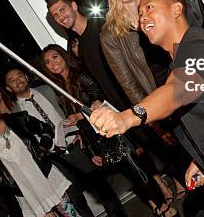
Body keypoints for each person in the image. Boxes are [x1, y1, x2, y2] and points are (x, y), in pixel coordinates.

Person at [90, 0, 204, 216]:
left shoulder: (199, 45)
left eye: (149, 7)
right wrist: (200, 161)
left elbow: (174, 92)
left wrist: (127, 118)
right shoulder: (178, 58)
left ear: (177, 8)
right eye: (140, 14)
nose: (143, 18)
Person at [99, 0, 189, 210]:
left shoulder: (159, 6)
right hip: (157, 103)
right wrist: (156, 123)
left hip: (185, 83)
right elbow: (129, 85)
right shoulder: (110, 33)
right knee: (186, 164)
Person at [7, 64, 128, 217]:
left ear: (25, 76)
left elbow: (68, 109)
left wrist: (80, 132)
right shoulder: (15, 114)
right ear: (9, 88)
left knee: (102, 187)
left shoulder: (48, 89)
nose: (17, 80)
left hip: (76, 145)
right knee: (77, 200)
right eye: (12, 80)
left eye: (19, 75)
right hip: (55, 160)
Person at [0, 97, 90, 217]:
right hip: (28, 194)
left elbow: (46, 129)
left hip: (47, 179)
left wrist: (43, 148)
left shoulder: (19, 118)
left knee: (72, 215)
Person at [46, 0, 131, 111]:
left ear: (74, 6)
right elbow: (98, 79)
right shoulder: (79, 47)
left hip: (136, 101)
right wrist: (97, 101)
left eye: (62, 10)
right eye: (55, 15)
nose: (60, 17)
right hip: (118, 108)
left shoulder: (103, 27)